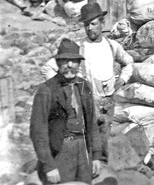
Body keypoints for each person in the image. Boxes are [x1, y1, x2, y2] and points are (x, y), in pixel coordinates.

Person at [40, 3, 133, 160]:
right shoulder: (79, 47)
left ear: (103, 23)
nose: (89, 28)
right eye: (86, 24)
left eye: (93, 24)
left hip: (108, 102)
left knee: (103, 141)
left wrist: (122, 80)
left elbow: (128, 62)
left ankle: (102, 172)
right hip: (85, 101)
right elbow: (47, 68)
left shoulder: (112, 46)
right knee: (85, 141)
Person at [30, 39, 103, 185]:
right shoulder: (46, 90)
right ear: (58, 63)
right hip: (60, 151)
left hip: (83, 150)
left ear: (79, 63)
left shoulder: (84, 86)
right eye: (65, 61)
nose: (70, 65)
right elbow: (38, 132)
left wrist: (96, 155)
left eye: (74, 61)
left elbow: (92, 122)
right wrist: (49, 166)